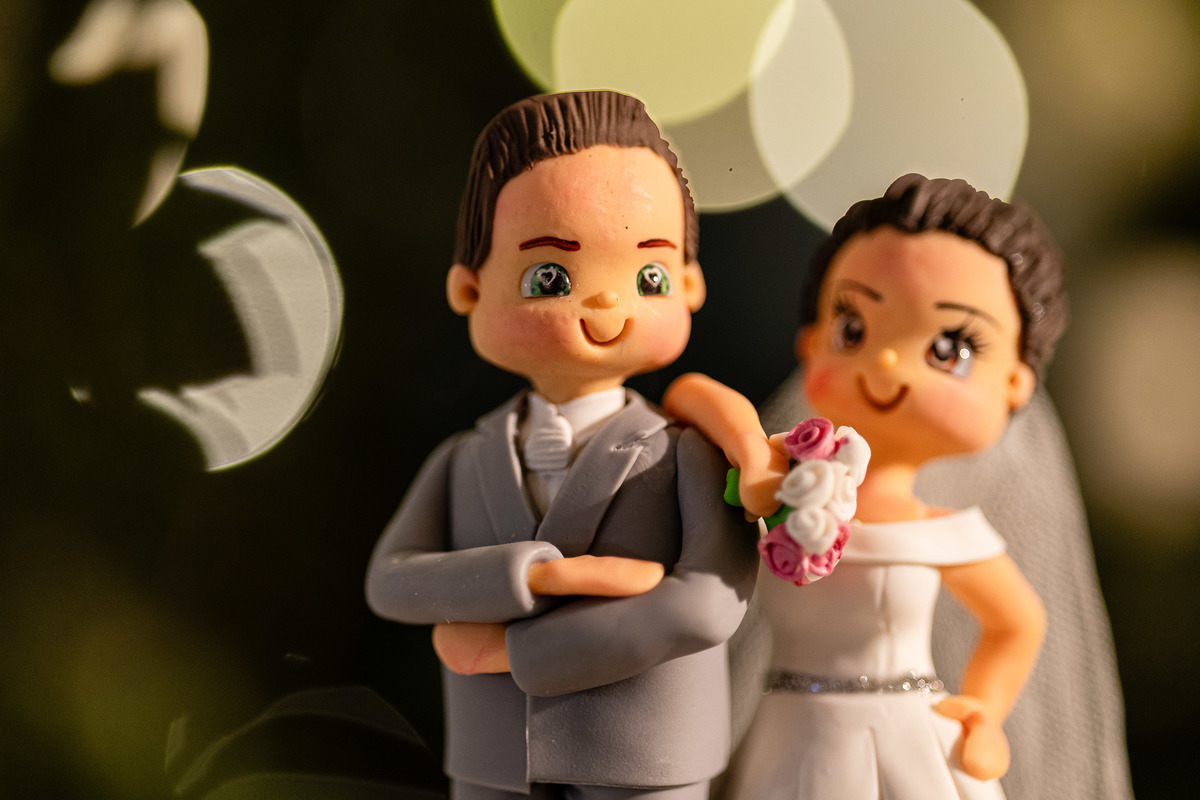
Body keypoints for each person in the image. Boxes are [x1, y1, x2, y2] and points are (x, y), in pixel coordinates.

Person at [364, 90, 759, 800]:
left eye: (649, 277)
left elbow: (710, 602)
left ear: (689, 285)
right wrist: (532, 575)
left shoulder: (684, 453)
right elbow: (390, 579)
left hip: (646, 751)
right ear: (469, 288)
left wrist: (515, 651)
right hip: (495, 755)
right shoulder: (464, 458)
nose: (607, 304)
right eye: (550, 277)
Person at [664, 174, 1064, 799]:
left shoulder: (941, 531)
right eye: (852, 328)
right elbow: (688, 394)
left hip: (913, 737)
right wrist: (751, 450)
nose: (887, 362)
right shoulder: (783, 477)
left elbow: (1018, 623)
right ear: (810, 343)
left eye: (950, 348)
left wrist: (984, 712)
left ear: (1014, 382)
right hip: (789, 731)